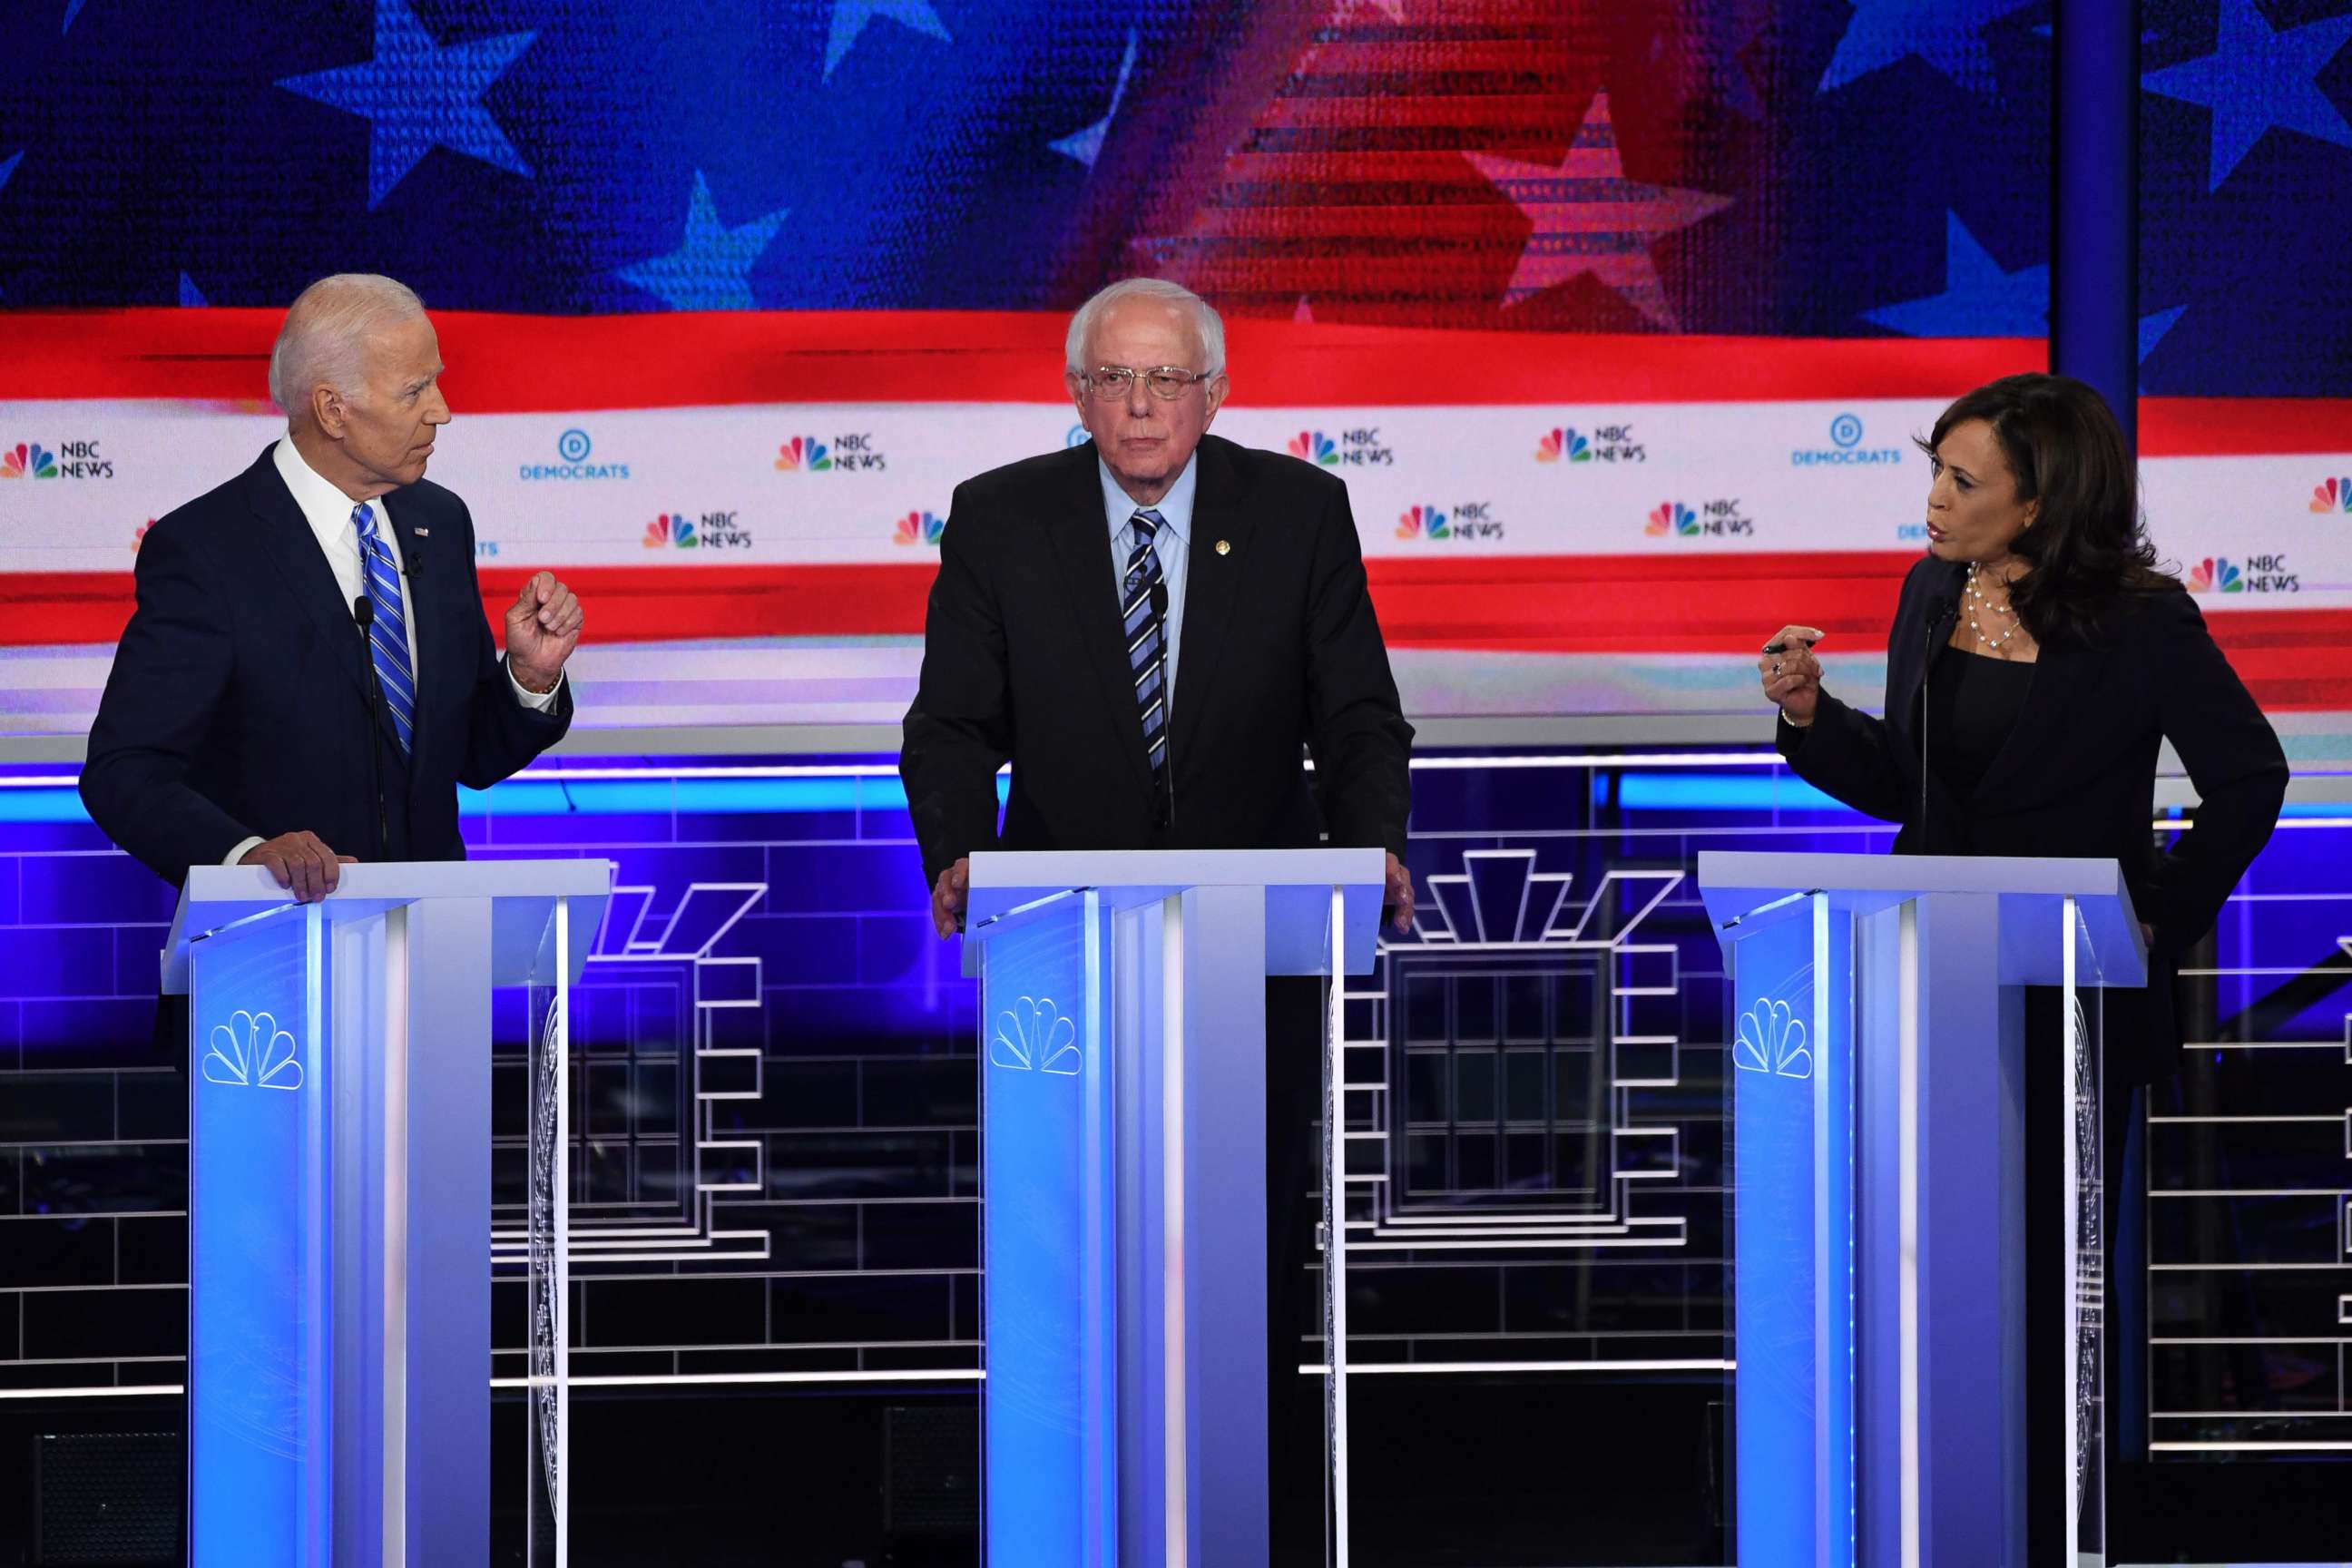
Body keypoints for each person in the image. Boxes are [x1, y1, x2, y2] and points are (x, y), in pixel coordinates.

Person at [901, 275, 1415, 1560]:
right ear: (1076, 397)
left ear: (1216, 392)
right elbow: (952, 724)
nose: (1140, 405)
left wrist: (1375, 852)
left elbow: (1356, 715)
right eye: (1114, 381)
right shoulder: (1002, 518)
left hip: (1259, 942)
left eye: (1166, 380)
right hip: (1060, 943)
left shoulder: (1298, 511)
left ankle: (1243, 1496)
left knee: (1251, 1224)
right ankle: (1068, 1491)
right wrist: (960, 853)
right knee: (1066, 1225)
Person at [1755, 369, 2286, 1555]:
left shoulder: (2144, 622)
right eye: (1933, 473)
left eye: (1961, 480)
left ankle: (2052, 1526)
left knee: (2047, 1294)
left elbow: (2251, 780)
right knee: (1925, 1283)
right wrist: (1807, 717)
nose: (1933, 502)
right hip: (1930, 986)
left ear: (2039, 502)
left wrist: (2158, 915)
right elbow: (1908, 784)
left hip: (2074, 999)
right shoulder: (1931, 594)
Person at [82, 272, 582, 902]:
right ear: (332, 409)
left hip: (429, 952)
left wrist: (528, 679)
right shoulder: (206, 550)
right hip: (270, 954)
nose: (443, 410)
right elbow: (124, 771)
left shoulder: (440, 522)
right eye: (415, 390)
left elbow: (467, 758)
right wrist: (245, 858)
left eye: (437, 380)